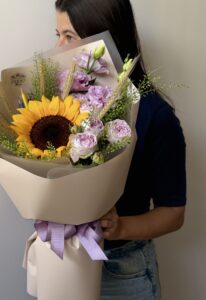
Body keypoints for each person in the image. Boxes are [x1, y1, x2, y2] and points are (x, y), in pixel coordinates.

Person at [55, 0, 186, 299]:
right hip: (63, 258)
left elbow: (174, 213)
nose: (59, 46)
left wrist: (119, 227)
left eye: (69, 36)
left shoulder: (156, 115)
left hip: (123, 270)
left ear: (104, 38)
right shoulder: (61, 100)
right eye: (58, 34)